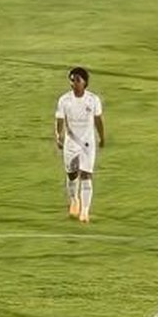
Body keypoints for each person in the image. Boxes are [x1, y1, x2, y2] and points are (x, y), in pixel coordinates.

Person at [55, 67, 104, 223]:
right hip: (71, 143)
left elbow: (98, 119)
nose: (73, 83)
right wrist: (58, 135)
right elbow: (60, 120)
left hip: (87, 144)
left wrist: (102, 137)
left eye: (77, 80)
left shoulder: (93, 100)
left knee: (86, 175)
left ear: (85, 82)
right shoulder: (64, 100)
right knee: (72, 175)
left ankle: (84, 211)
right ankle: (74, 199)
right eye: (72, 80)